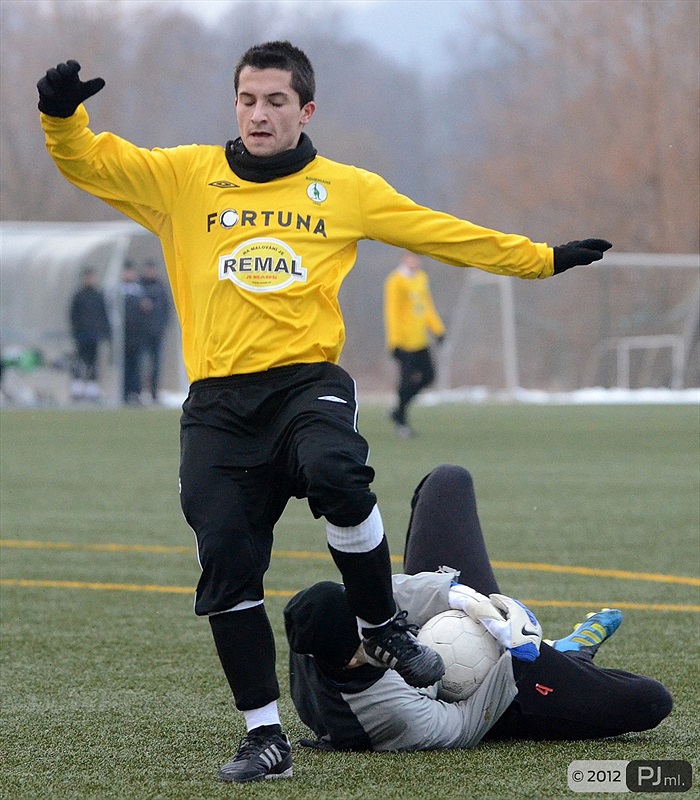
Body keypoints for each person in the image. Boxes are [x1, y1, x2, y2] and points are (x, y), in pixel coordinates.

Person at [37, 45, 613, 783]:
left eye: (276, 100)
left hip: (307, 383)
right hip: (218, 404)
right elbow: (88, 160)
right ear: (235, 104)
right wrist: (60, 113)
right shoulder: (181, 178)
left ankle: (380, 623)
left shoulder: (344, 189)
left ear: (305, 110)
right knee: (226, 561)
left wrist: (541, 258)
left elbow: (439, 230)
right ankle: (264, 738)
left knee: (337, 470)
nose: (259, 112)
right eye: (248, 99)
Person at [284, 464, 673, 752]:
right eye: (370, 638)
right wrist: (515, 652)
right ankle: (566, 653)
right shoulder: (390, 716)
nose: (379, 631)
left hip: (450, 623)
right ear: (352, 662)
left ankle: (560, 651)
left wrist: (469, 602)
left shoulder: (317, 621)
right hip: (487, 694)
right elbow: (465, 723)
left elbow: (393, 591)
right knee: (649, 699)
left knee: (447, 481)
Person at [384, 251, 445, 437]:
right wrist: (394, 341)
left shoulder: (421, 278)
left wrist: (437, 329)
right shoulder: (396, 281)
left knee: (429, 375)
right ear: (404, 258)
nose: (415, 261)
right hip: (403, 342)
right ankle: (401, 421)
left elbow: (426, 307)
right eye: (411, 258)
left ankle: (397, 410)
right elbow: (391, 312)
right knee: (405, 381)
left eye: (418, 258)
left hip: (420, 340)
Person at [68, 265, 111, 402]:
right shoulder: (79, 296)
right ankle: (77, 387)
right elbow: (73, 315)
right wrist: (76, 331)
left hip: (94, 335)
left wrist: (105, 332)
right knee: (80, 361)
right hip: (82, 334)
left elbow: (104, 314)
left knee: (93, 361)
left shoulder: (98, 295)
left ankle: (92, 388)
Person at [139, 259, 171, 404]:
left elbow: (166, 309)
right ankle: (139, 392)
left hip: (156, 332)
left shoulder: (160, 287)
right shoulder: (139, 287)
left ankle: (154, 393)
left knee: (156, 364)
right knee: (141, 363)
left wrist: (163, 326)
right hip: (141, 333)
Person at [120, 261, 146, 405]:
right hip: (123, 337)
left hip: (137, 336)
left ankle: (135, 393)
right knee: (124, 365)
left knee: (136, 365)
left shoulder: (139, 291)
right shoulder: (118, 290)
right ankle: (124, 393)